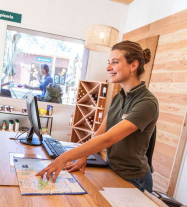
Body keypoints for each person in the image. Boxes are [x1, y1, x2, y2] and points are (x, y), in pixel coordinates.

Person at [37, 40, 158, 193]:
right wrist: (83, 156)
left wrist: (63, 158)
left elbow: (108, 138)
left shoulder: (147, 103)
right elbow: (101, 132)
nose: (108, 67)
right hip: (112, 169)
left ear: (133, 65)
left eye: (114, 62)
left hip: (134, 180)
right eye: (109, 62)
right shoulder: (119, 97)